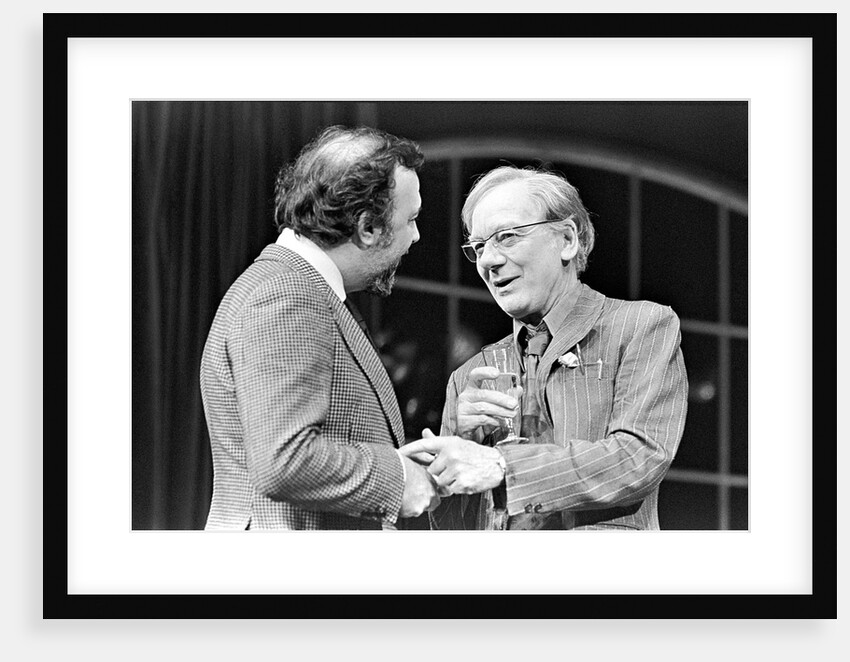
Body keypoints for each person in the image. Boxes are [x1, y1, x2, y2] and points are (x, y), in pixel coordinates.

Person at [401, 166, 688, 530]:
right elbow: (452, 530)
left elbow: (638, 457)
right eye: (478, 246)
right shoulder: (469, 376)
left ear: (567, 239)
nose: (488, 260)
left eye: (506, 236)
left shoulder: (641, 327)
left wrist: (501, 467)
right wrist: (460, 443)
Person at [200, 125, 443, 530]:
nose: (416, 237)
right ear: (367, 227)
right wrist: (400, 479)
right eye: (411, 220)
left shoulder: (303, 289)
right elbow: (285, 460)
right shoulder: (287, 294)